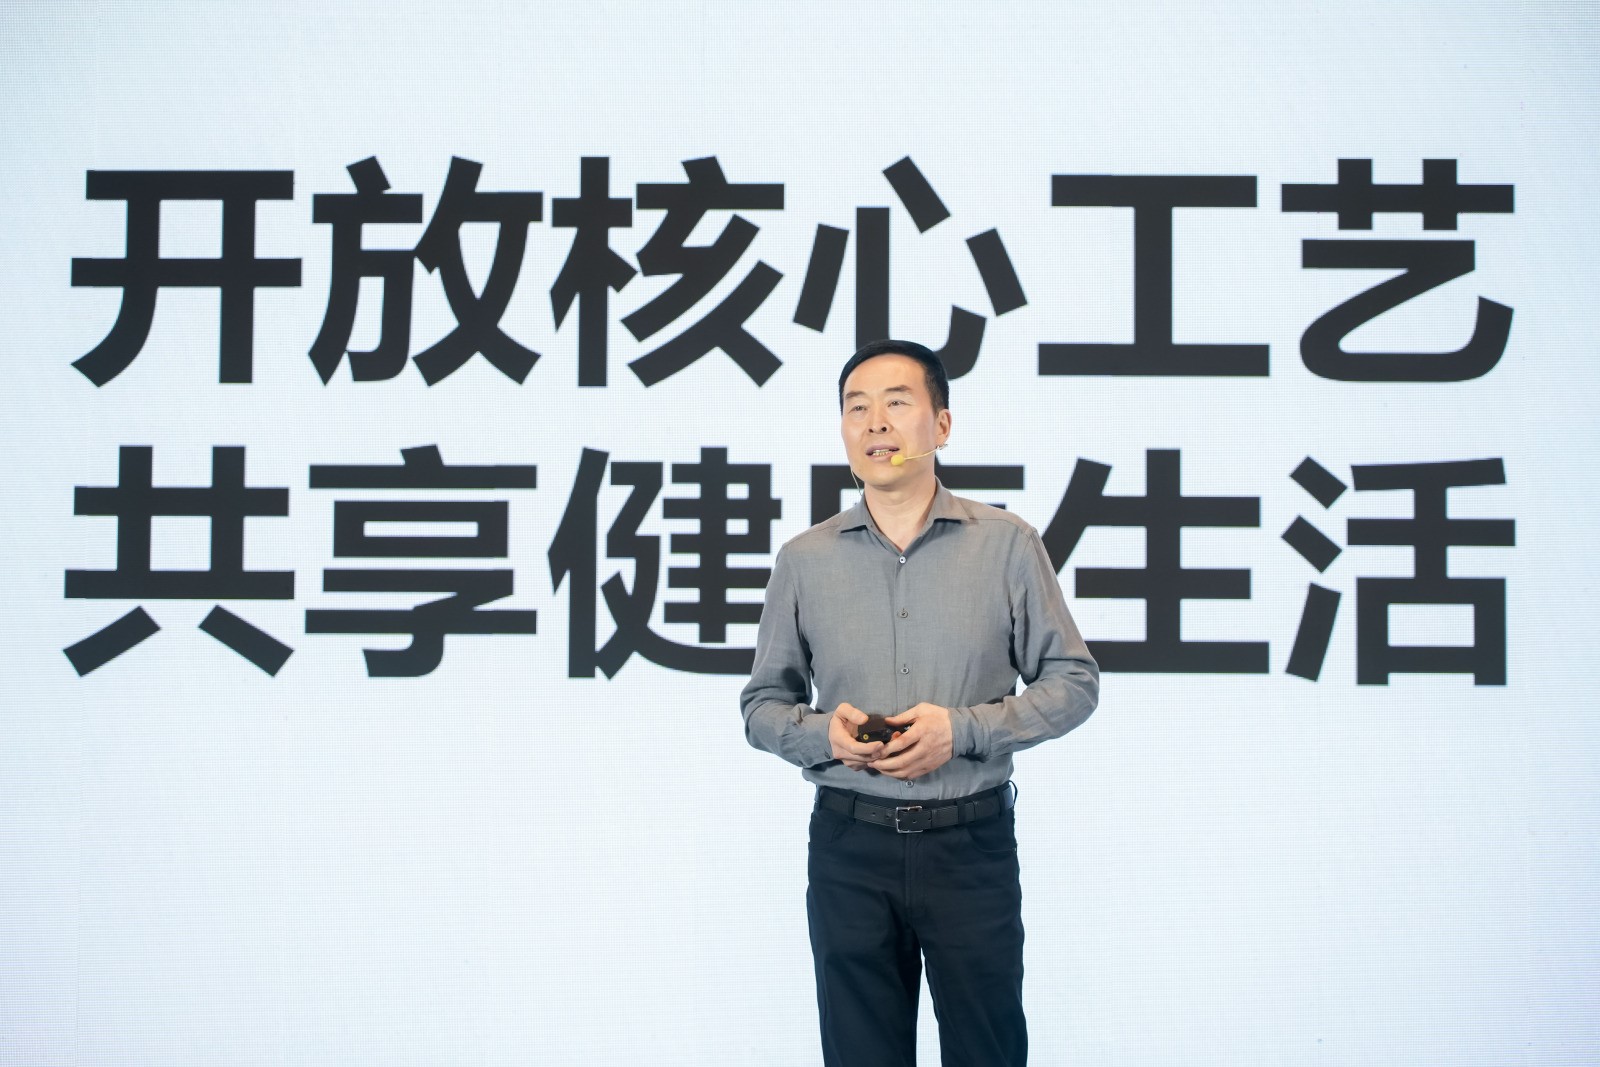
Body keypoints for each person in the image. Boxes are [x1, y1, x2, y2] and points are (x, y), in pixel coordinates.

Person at [740, 339, 1100, 1066]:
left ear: (941, 425)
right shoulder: (804, 560)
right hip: (850, 845)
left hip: (970, 844)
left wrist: (962, 731)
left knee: (988, 1050)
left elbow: (1074, 681)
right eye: (857, 408)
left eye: (896, 403)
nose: (875, 423)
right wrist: (824, 736)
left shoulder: (1006, 545)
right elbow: (763, 705)